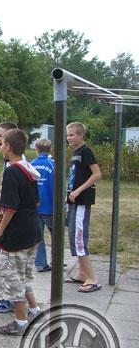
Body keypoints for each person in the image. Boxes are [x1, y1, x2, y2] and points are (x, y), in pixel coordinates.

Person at [0, 129, 42, 335]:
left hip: (17, 236)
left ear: (9, 146)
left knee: (15, 279)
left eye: (1, 144)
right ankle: (35, 310)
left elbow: (10, 208)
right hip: (32, 232)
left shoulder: (12, 171)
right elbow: (35, 201)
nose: (0, 147)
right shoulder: (28, 167)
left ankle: (20, 322)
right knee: (26, 274)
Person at [64, 122, 102, 292]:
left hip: (81, 202)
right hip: (72, 201)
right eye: (67, 135)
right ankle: (81, 273)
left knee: (79, 239)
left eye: (72, 135)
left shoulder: (85, 151)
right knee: (73, 235)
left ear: (81, 135)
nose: (68, 138)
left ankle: (92, 279)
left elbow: (97, 174)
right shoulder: (75, 152)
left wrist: (78, 191)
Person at [0, 121, 20, 314]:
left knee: (9, 261)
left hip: (12, 224)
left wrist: (0, 229)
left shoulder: (14, 166)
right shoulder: (8, 162)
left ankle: (10, 300)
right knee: (6, 259)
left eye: (0, 135)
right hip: (8, 219)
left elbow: (13, 204)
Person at [31, 138, 55, 272]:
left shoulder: (31, 164)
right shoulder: (53, 165)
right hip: (51, 208)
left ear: (37, 149)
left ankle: (40, 263)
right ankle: (56, 261)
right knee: (55, 236)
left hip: (36, 208)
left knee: (38, 237)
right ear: (50, 149)